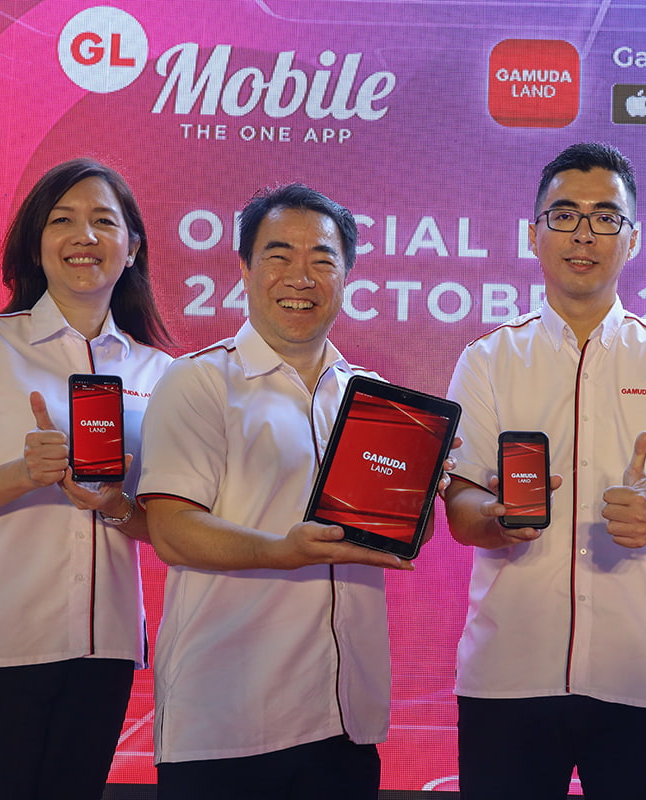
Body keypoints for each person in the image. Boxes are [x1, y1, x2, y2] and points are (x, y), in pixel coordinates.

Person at [443, 142, 646, 800]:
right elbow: (459, 506)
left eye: (606, 217)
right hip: (507, 676)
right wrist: (495, 520)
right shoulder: (487, 359)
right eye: (565, 215)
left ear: (633, 238)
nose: (584, 235)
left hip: (643, 675)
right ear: (533, 233)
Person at [139, 183, 437, 799]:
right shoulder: (200, 382)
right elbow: (170, 529)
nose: (301, 275)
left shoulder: (375, 397)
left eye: (323, 259)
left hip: (343, 720)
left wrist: (420, 502)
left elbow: (410, 531)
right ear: (244, 268)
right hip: (226, 720)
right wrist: (284, 549)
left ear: (347, 275)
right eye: (279, 255)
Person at [0, 157, 173, 799]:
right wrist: (24, 473)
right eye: (63, 220)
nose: (85, 236)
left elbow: (161, 523)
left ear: (132, 247)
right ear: (36, 243)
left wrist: (113, 504)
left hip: (100, 654)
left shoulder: (161, 373)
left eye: (104, 221)